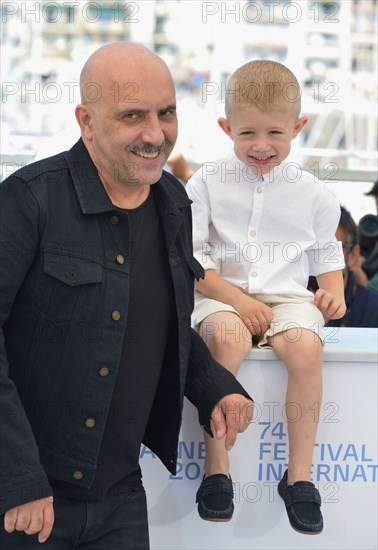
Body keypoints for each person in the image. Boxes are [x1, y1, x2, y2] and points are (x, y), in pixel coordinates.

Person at [0, 43, 253, 549]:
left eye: (166, 113)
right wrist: (19, 480)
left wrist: (213, 387)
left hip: (120, 495)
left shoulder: (174, 202)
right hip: (28, 502)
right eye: (132, 116)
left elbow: (164, 316)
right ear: (86, 121)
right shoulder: (28, 199)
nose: (155, 134)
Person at [186, 60, 346, 534]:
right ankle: (218, 469)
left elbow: (326, 255)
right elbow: (193, 261)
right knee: (226, 340)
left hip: (289, 298)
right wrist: (237, 300)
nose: (261, 146)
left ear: (298, 126)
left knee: (306, 349)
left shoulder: (315, 193)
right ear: (225, 128)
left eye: (275, 132)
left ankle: (298, 478)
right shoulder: (206, 182)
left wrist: (333, 291)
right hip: (217, 294)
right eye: (247, 133)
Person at [311, 206, 378, 328]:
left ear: (353, 255)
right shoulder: (275, 302)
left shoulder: (373, 311)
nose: (316, 257)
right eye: (308, 249)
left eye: (331, 250)